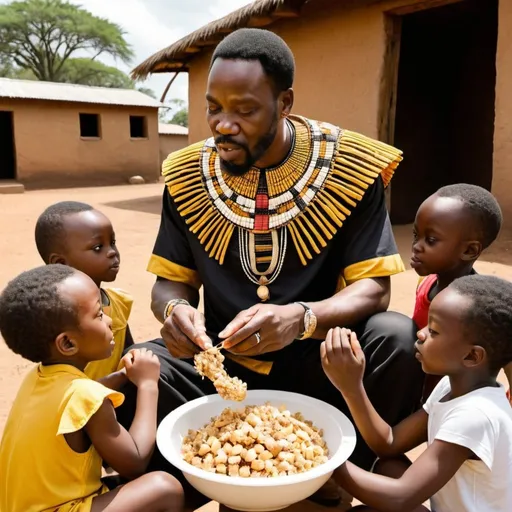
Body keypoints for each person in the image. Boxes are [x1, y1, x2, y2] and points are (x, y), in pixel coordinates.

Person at [116, 27, 424, 494]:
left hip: (321, 364)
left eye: (244, 110)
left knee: (396, 338)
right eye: (213, 108)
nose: (222, 124)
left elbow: (374, 288)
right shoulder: (185, 176)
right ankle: (196, 481)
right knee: (134, 370)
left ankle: (337, 478)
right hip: (218, 366)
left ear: (285, 103)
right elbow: (169, 283)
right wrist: (175, 312)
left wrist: (302, 318)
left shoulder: (352, 168)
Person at [0, 265, 184, 512]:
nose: (109, 320)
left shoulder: (38, 376)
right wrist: (148, 384)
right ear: (67, 342)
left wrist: (121, 376)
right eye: (99, 315)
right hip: (62, 507)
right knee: (165, 488)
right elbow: (136, 460)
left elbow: (81, 395)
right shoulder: (89, 399)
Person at [323, 275, 512, 512]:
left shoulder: (476, 416)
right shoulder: (451, 387)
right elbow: (389, 443)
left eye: (433, 331)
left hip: (408, 497)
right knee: (387, 465)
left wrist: (324, 460)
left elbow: (400, 498)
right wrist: (352, 387)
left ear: (472, 356)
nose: (420, 333)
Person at [410, 184, 511, 400]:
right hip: (419, 400)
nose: (416, 247)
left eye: (430, 240)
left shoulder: (479, 310)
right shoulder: (426, 284)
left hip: (456, 408)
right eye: (416, 235)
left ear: (469, 250)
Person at [35, 201, 134, 384]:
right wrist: (125, 378)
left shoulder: (118, 302)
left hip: (116, 403)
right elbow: (67, 388)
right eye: (98, 247)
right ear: (61, 263)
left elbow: (128, 351)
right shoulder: (64, 319)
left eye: (112, 242)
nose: (112, 252)